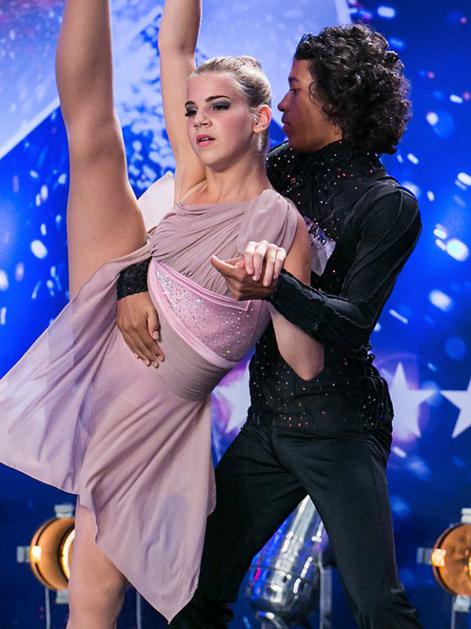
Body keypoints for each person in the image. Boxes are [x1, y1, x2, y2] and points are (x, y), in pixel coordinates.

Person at [0, 0, 324, 627]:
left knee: (94, 591)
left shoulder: (284, 223)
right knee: (93, 136)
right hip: (115, 311)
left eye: (218, 107)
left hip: (154, 417)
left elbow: (304, 362)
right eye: (191, 110)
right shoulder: (191, 176)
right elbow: (176, 47)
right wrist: (132, 280)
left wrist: (276, 290)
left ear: (260, 118)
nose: (199, 121)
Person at [116, 23, 423, 629]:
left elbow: (352, 323)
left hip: (339, 426)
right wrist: (131, 282)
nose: (281, 105)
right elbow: (181, 224)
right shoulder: (274, 168)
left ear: (336, 99)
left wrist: (275, 286)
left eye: (295, 89)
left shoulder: (388, 204)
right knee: (195, 590)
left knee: (378, 605)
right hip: (268, 424)